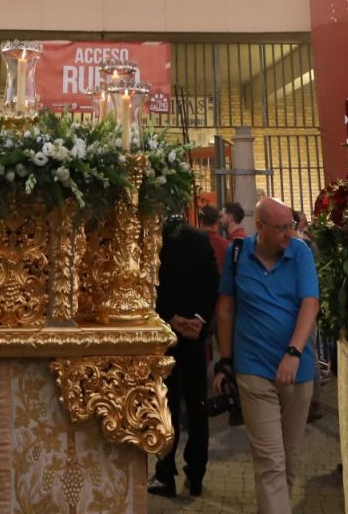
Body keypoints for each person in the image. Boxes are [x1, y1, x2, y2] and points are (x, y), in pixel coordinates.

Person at [212, 196, 319, 514]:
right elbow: (227, 308)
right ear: (259, 226)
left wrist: (293, 352)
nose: (290, 233)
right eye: (282, 228)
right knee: (270, 461)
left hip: (298, 372)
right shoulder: (236, 254)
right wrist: (226, 362)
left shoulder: (299, 253)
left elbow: (309, 303)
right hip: (254, 370)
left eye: (290, 225)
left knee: (289, 460)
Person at [150, 213, 219, 499]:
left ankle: (166, 474)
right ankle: (197, 474)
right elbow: (213, 283)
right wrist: (199, 319)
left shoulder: (156, 240)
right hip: (194, 335)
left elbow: (150, 284)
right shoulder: (201, 240)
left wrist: (171, 317)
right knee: (197, 403)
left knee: (166, 404)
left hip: (167, 335)